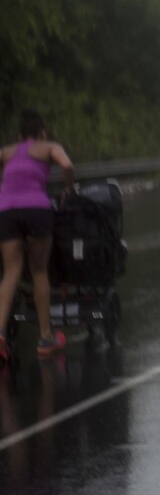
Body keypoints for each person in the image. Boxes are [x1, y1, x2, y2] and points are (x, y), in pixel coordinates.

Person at [0, 109, 76, 359]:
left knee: (11, 271)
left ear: (20, 135)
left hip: (7, 211)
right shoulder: (49, 147)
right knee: (39, 271)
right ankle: (45, 338)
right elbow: (66, 165)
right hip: (36, 210)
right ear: (42, 132)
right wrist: (68, 188)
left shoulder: (8, 152)